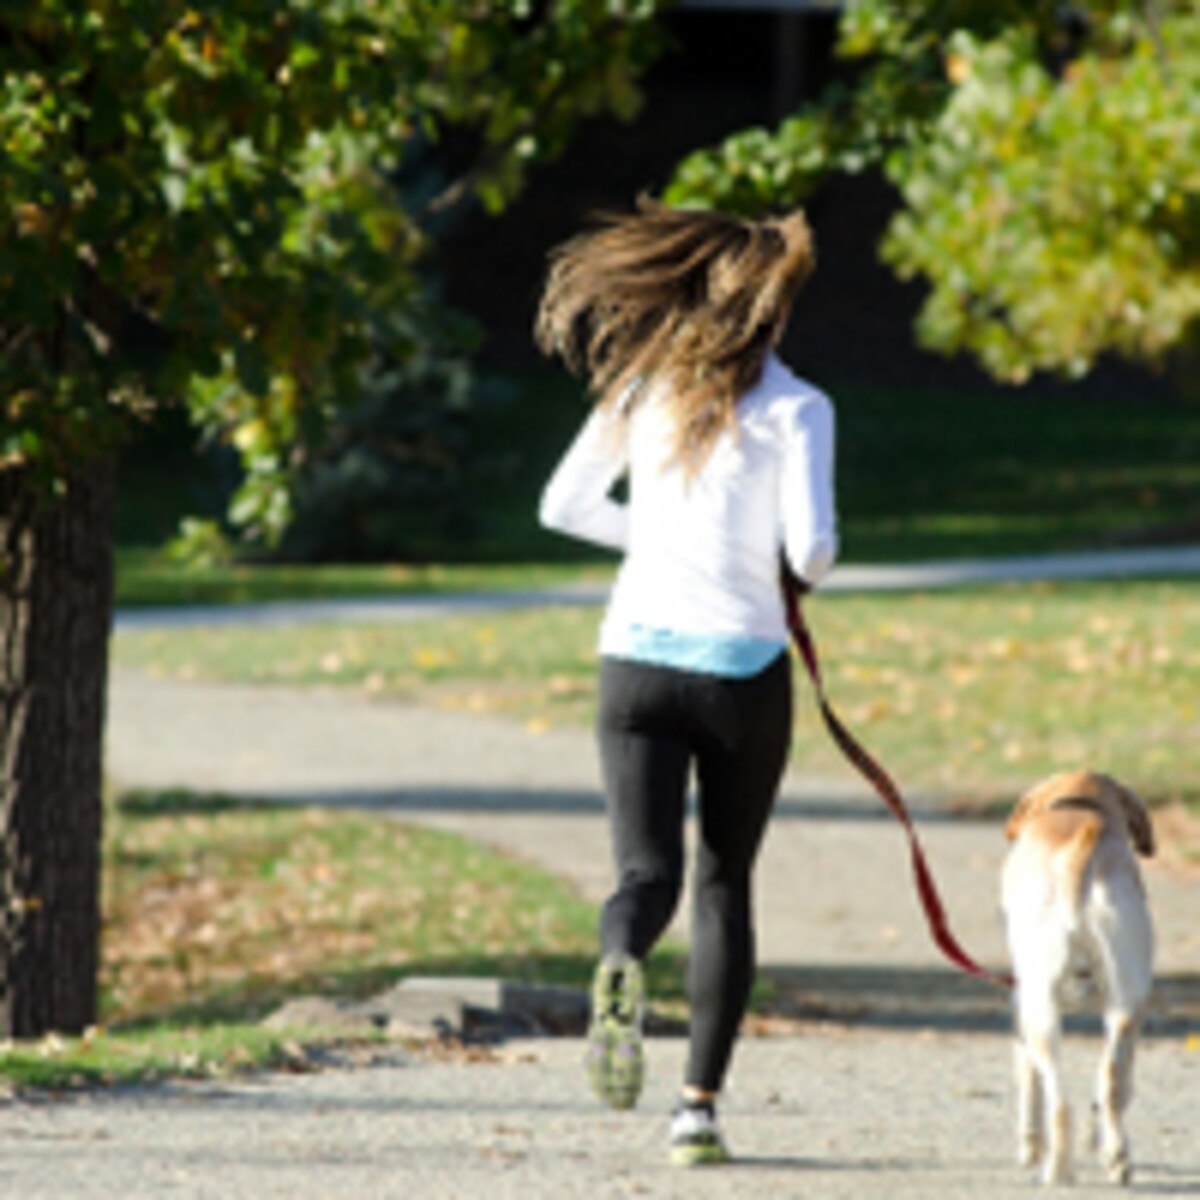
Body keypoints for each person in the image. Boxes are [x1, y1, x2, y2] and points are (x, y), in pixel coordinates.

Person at [535, 198, 838, 1167]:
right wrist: (760, 567)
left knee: (645, 875)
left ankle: (621, 958)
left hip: (634, 662)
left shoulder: (638, 389)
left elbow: (564, 506)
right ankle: (696, 1112)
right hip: (741, 671)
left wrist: (660, 545)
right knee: (723, 883)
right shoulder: (798, 408)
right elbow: (816, 549)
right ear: (774, 310)